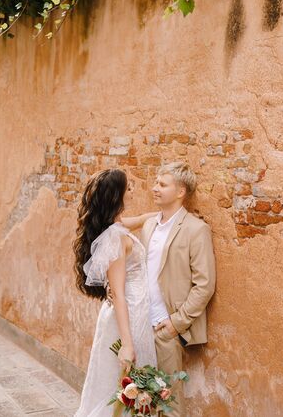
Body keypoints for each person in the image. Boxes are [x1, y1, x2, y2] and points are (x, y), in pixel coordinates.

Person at [73, 169, 157, 417]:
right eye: (128, 188)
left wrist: (162, 216)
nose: (132, 191)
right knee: (117, 387)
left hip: (135, 310)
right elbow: (118, 293)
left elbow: (138, 219)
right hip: (126, 315)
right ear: (117, 196)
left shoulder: (115, 226)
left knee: (125, 386)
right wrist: (127, 344)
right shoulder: (116, 238)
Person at [141, 162, 216, 417]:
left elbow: (204, 284)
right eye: (155, 183)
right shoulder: (150, 225)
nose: (155, 189)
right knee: (142, 399)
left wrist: (176, 324)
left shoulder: (196, 229)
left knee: (169, 403)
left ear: (181, 191)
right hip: (141, 325)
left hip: (167, 330)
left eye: (162, 184)